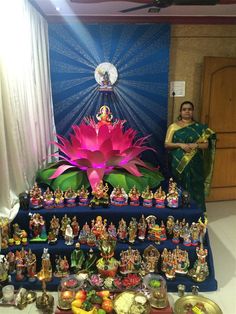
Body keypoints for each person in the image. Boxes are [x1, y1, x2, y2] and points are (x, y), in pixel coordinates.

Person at [165, 101, 216, 210]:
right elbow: (167, 144)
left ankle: (198, 212)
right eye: (184, 109)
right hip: (178, 163)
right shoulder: (173, 127)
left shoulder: (200, 127)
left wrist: (196, 145)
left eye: (189, 109)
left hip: (195, 163)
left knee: (196, 186)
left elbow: (206, 145)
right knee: (179, 185)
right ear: (180, 112)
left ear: (192, 111)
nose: (187, 111)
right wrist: (181, 145)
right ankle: (178, 210)